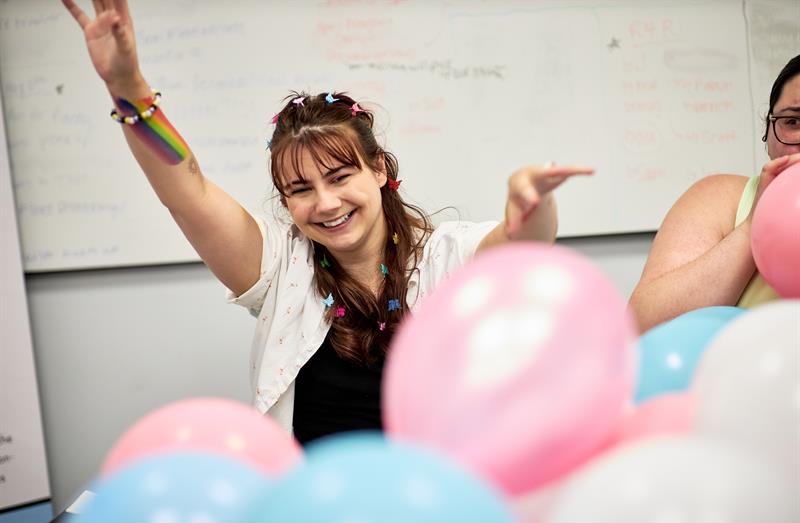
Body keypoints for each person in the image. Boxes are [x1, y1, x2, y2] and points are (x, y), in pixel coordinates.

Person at [63, 0, 593, 444]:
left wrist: (531, 203)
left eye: (340, 177)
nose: (325, 203)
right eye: (300, 189)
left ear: (379, 168)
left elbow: (520, 247)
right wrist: (129, 89)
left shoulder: (445, 256)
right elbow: (187, 189)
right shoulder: (279, 267)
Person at [629, 54, 800, 332]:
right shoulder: (721, 198)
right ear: (768, 132)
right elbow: (644, 326)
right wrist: (751, 226)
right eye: (793, 122)